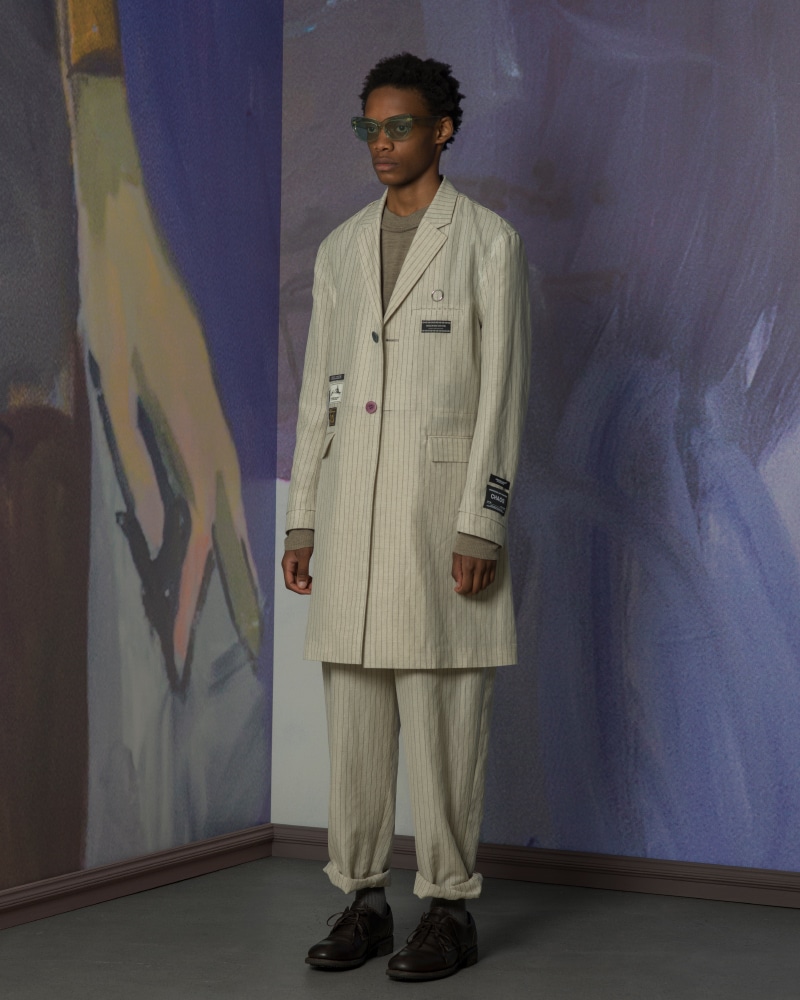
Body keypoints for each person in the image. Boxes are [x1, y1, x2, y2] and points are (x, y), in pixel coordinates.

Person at [282, 52, 531, 982]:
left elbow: (503, 393)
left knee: (444, 717)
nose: (381, 144)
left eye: (399, 127)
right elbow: (322, 388)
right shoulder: (341, 247)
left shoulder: (487, 243)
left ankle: (449, 910)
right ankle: (363, 902)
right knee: (354, 722)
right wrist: (304, 517)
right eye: (370, 128)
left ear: (442, 130)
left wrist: (482, 523)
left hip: (439, 520)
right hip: (353, 513)